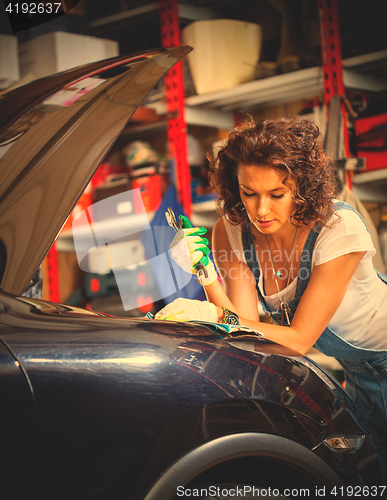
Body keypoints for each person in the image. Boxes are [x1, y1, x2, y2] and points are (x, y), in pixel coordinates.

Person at [155, 117, 387, 478]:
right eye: (249, 193)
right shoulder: (231, 231)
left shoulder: (337, 230)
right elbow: (242, 331)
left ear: (303, 187)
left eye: (276, 194)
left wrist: (214, 317)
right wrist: (206, 275)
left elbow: (298, 339)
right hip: (359, 371)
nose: (261, 210)